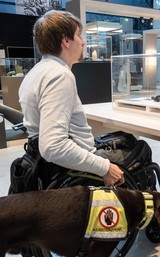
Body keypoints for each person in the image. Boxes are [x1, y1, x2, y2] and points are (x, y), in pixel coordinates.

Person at [19, 10, 125, 193]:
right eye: (78, 35)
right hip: (66, 169)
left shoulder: (36, 72)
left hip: (40, 161)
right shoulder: (59, 75)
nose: (83, 42)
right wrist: (105, 167)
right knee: (141, 148)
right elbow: (53, 146)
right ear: (65, 40)